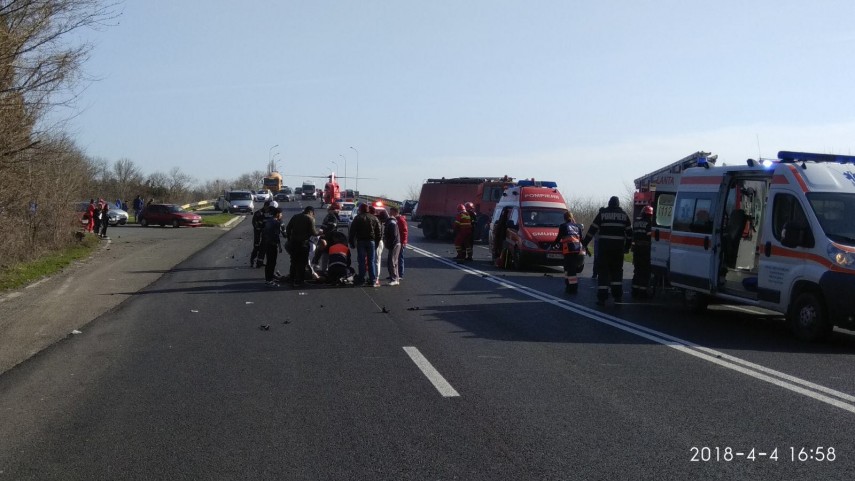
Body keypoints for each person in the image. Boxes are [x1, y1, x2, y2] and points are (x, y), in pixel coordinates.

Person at [582, 196, 632, 306]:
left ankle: (602, 298)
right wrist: (627, 247)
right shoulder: (624, 215)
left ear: (609, 203)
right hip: (618, 250)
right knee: (617, 272)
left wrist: (584, 243)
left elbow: (592, 230)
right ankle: (617, 297)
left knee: (603, 272)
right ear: (618, 204)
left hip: (604, 249)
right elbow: (629, 234)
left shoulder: (602, 214)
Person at [348, 203, 382, 286]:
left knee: (361, 261)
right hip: (371, 242)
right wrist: (376, 242)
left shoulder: (358, 218)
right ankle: (373, 280)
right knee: (371, 261)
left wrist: (351, 242)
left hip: (361, 241)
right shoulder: (374, 218)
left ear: (361, 209)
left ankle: (361, 279)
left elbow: (352, 232)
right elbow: (379, 232)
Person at [285, 206, 318, 287]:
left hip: (294, 243)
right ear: (310, 212)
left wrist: (289, 239)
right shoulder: (310, 219)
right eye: (313, 213)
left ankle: (291, 279)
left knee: (293, 262)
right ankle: (300, 280)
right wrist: (320, 233)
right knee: (302, 263)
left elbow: (288, 228)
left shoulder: (295, 216)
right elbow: (313, 232)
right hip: (303, 244)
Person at [554, 211, 584, 294]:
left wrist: (552, 245)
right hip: (577, 250)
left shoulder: (563, 226)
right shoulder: (578, 226)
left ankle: (573, 287)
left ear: (564, 218)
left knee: (570, 269)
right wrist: (586, 249)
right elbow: (582, 239)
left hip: (568, 250)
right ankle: (568, 285)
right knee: (569, 268)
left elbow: (558, 238)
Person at [631, 205, 654, 299]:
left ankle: (635, 290)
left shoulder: (636, 223)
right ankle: (643, 292)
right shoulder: (649, 223)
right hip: (645, 249)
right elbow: (649, 235)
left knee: (637, 270)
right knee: (645, 271)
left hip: (636, 249)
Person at [261, 208, 284, 287]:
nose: (281, 215)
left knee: (269, 262)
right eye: (280, 214)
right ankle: (269, 280)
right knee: (272, 262)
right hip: (272, 244)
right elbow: (276, 236)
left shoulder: (269, 221)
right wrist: (280, 246)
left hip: (267, 243)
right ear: (277, 214)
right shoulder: (276, 223)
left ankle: (269, 278)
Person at [379, 209, 401, 286]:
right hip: (395, 244)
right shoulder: (390, 222)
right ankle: (395, 277)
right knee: (394, 262)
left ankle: (394, 279)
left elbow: (394, 235)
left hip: (394, 244)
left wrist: (389, 244)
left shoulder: (391, 223)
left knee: (392, 262)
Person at [250, 200, 271, 268]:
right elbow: (254, 222)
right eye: (267, 207)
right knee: (256, 247)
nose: (268, 209)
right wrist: (258, 228)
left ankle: (260, 262)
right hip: (258, 232)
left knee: (264, 247)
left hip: (265, 233)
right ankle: (252, 260)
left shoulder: (270, 213)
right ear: (265, 206)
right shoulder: (258, 213)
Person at [389, 206, 408, 279]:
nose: (390, 213)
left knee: (399, 258)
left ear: (395, 212)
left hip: (400, 242)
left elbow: (404, 232)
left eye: (391, 212)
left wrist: (403, 242)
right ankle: (394, 274)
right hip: (397, 242)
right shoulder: (395, 219)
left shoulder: (400, 220)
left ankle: (400, 274)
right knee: (395, 258)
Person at [369, 205, 384, 279]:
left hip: (377, 241)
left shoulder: (375, 219)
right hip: (376, 241)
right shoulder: (376, 219)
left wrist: (376, 243)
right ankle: (374, 276)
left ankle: (376, 277)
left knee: (376, 260)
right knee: (374, 260)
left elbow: (379, 233)